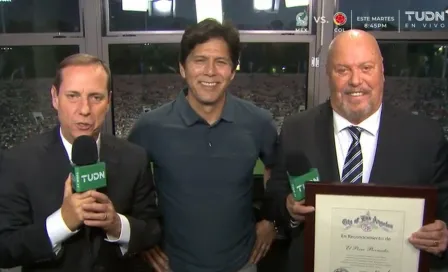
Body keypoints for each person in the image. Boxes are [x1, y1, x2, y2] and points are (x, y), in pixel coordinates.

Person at [266, 29, 448, 272]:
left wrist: (444, 233)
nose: (355, 80)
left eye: (366, 68)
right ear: (328, 75)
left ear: (382, 72)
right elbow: (275, 197)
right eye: (343, 70)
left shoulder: (425, 136)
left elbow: (444, 208)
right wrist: (287, 209)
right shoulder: (296, 130)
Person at [128, 19, 279, 272]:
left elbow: (279, 172)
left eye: (221, 62)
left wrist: (271, 220)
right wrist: (142, 239)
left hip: (242, 264)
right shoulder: (150, 126)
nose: (210, 71)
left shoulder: (258, 122)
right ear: (182, 68)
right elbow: (126, 188)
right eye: (199, 60)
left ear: (232, 71)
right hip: (173, 267)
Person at [0, 53, 161, 272]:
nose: (84, 110)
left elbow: (151, 230)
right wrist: (61, 223)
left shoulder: (134, 158)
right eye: (73, 96)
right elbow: (5, 248)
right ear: (55, 98)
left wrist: (117, 225)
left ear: (108, 101)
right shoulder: (19, 162)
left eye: (96, 97)